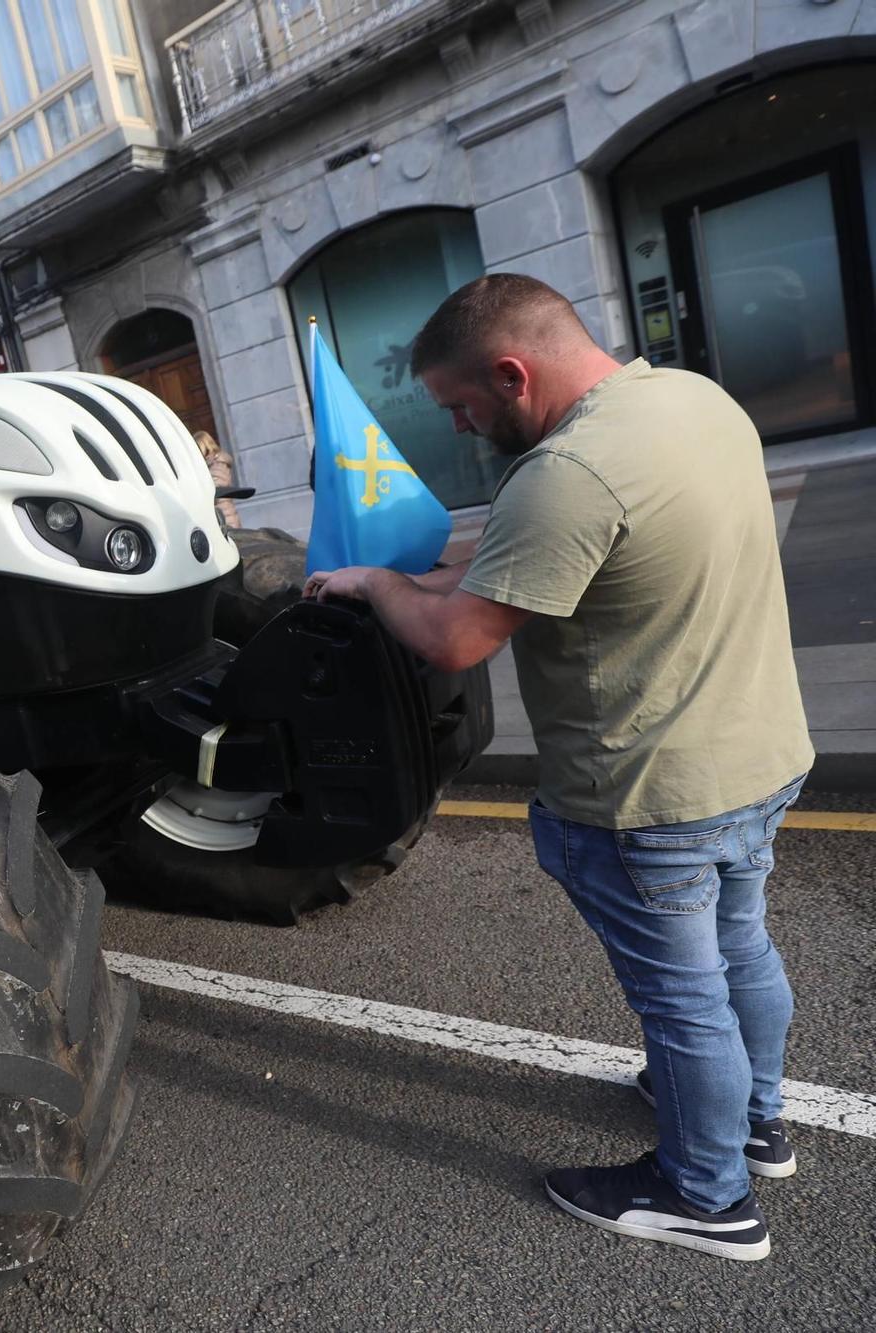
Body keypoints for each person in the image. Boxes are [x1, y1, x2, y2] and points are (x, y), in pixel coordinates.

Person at [304, 274, 812, 1261]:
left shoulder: (566, 474)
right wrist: (430, 571)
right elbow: (528, 564)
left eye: (460, 406)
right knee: (739, 948)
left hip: (646, 794)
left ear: (509, 372)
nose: (460, 427)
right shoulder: (689, 400)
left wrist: (371, 582)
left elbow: (455, 638)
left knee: (681, 996)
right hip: (757, 756)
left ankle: (706, 1195)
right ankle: (756, 1120)